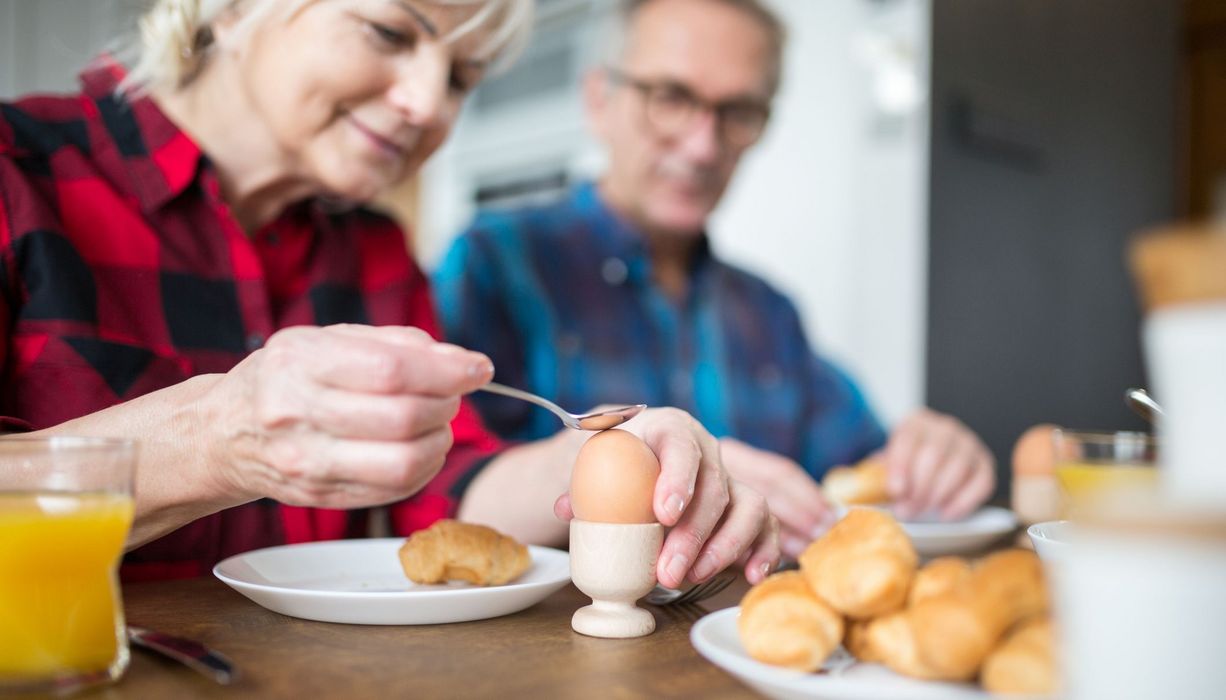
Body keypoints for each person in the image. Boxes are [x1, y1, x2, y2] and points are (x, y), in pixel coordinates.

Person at [0, 0, 779, 589]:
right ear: (232, 10)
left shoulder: (373, 251)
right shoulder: (17, 173)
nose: (429, 104)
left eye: (462, 77)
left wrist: (615, 455)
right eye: (389, 32)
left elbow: (444, 487)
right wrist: (214, 437)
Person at [434, 0, 995, 559]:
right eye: (671, 98)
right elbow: (434, 495)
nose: (704, 146)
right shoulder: (496, 264)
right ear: (598, 99)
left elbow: (861, 471)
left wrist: (924, 460)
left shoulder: (769, 313)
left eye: (738, 111)